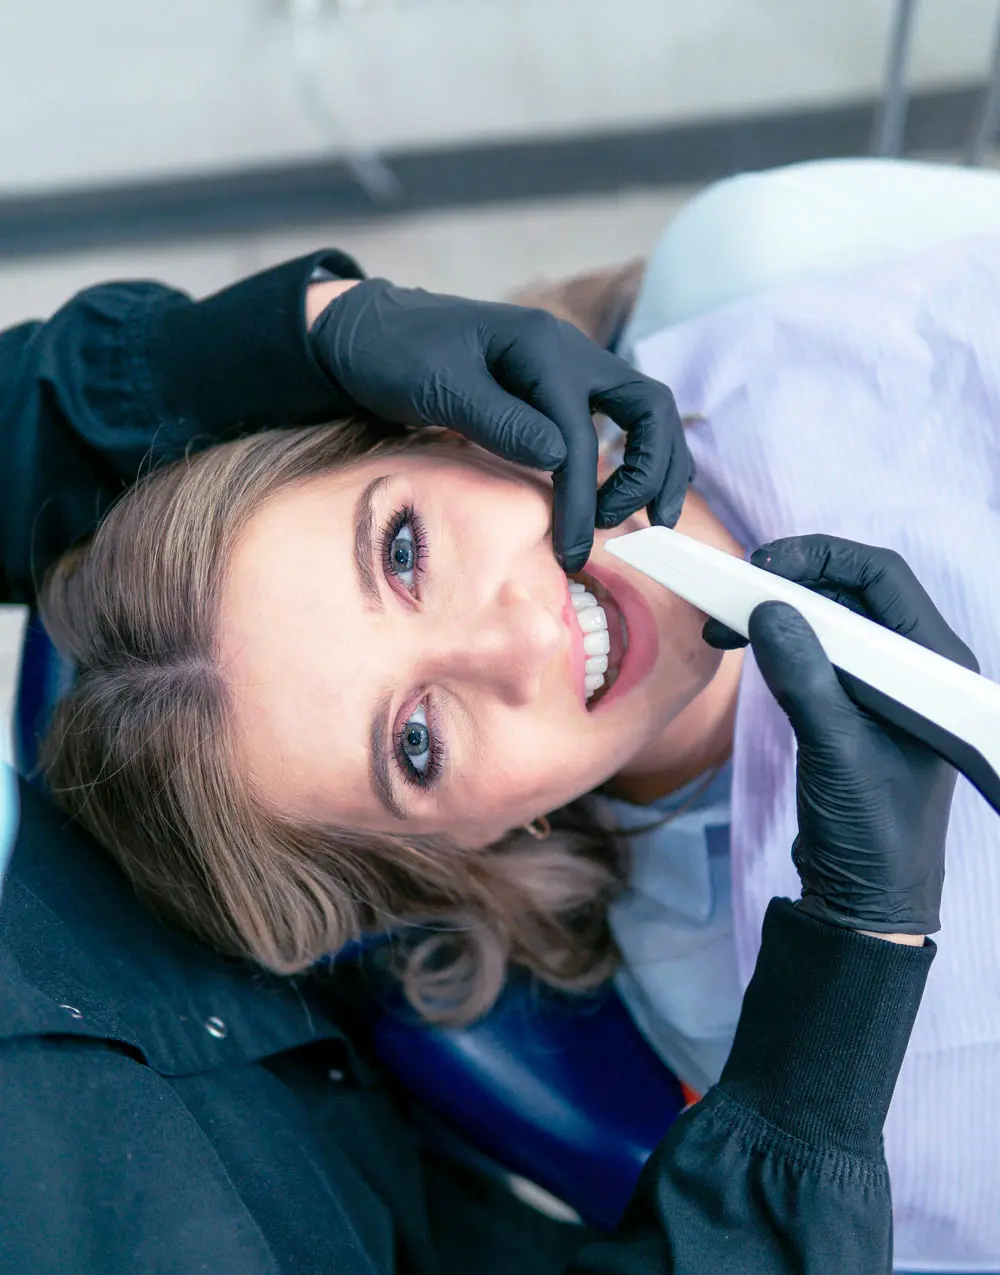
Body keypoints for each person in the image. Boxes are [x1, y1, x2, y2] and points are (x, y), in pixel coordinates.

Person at [0, 219, 960, 1273]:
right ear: (469, 843)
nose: (523, 640)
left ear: (430, 424)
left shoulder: (775, 277)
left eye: (403, 549)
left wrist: (314, 323)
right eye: (416, 743)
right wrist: (861, 954)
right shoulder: (746, 1017)